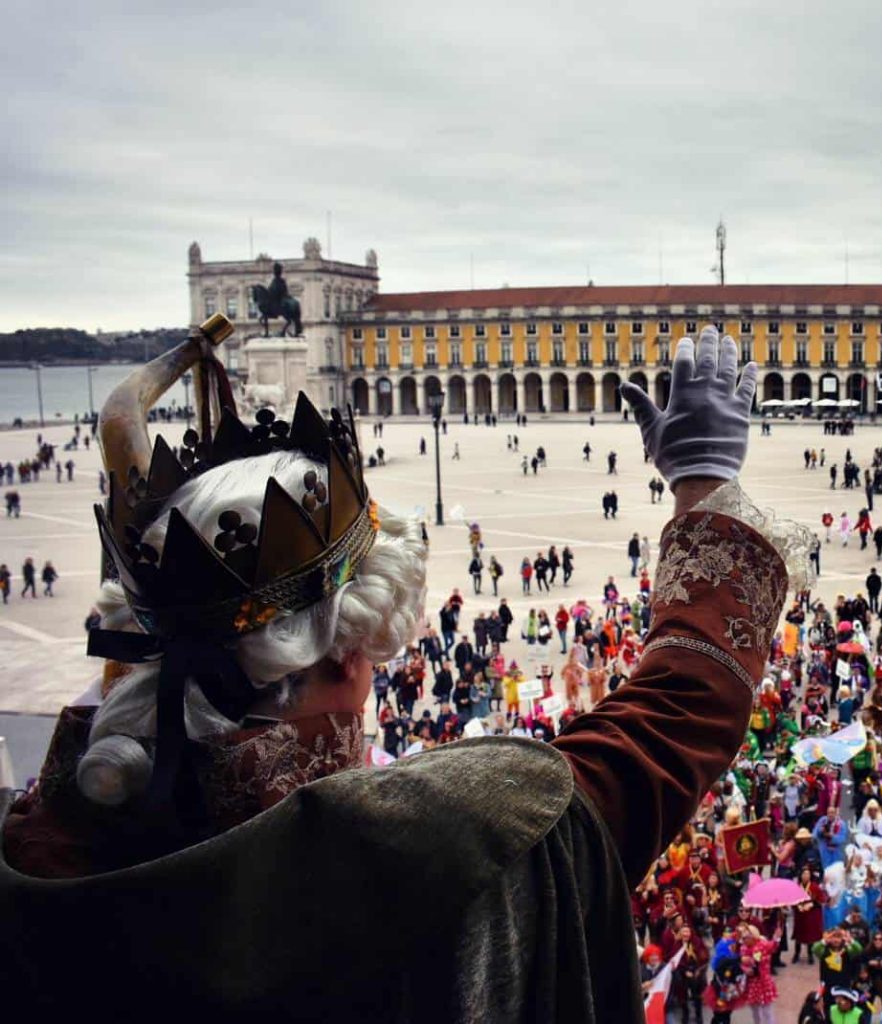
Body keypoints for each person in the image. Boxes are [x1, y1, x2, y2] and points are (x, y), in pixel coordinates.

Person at [3, 322, 790, 1021]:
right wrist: (703, 482)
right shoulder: (437, 847)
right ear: (351, 654)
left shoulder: (35, 850)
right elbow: (676, 715)